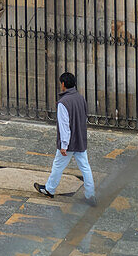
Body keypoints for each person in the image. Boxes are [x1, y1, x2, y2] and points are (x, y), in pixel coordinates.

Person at [34, 72, 97, 206]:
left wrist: (64, 145)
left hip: (69, 142)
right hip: (80, 139)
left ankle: (49, 189)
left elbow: (64, 126)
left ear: (63, 84)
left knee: (58, 165)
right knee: (85, 167)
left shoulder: (63, 103)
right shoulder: (81, 98)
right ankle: (90, 195)